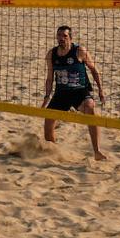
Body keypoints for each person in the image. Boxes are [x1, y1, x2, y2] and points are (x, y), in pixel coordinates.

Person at [42, 25, 107, 160]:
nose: (61, 38)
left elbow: (94, 70)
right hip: (61, 94)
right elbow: (49, 79)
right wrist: (46, 97)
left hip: (80, 91)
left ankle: (97, 151)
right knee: (48, 124)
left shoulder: (79, 51)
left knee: (90, 107)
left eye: (64, 36)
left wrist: (101, 90)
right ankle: (54, 153)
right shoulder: (51, 54)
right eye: (59, 35)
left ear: (70, 38)